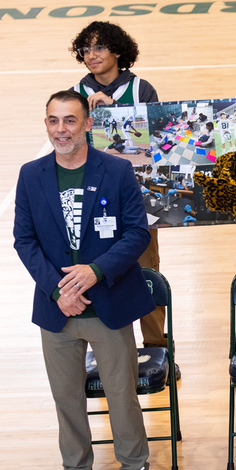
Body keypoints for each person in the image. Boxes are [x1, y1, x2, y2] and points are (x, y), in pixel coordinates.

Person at [13, 91, 158, 470]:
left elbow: (135, 233)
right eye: (54, 121)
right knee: (66, 396)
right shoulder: (31, 174)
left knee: (121, 393)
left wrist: (94, 272)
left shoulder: (115, 171)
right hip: (57, 309)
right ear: (46, 125)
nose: (62, 129)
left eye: (70, 121)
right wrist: (59, 291)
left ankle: (134, 469)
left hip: (108, 303)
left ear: (88, 124)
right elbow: (25, 240)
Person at [70, 21, 168, 354]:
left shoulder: (141, 89)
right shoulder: (76, 94)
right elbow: (69, 147)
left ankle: (158, 347)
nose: (91, 55)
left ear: (117, 50)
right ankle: (107, 351)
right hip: (94, 203)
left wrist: (115, 113)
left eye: (99, 47)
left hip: (139, 200)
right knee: (98, 274)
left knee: (146, 272)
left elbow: (158, 144)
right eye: (86, 49)